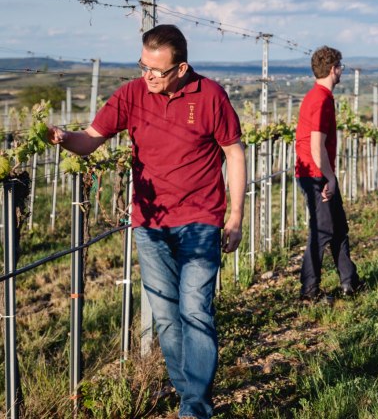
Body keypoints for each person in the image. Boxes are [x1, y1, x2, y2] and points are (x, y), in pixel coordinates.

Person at [49, 24, 245, 419]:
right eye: (143, 66)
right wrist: (63, 137)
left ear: (182, 68)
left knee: (195, 310)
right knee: (167, 317)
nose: (148, 76)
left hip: (201, 220)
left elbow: (234, 153)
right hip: (150, 223)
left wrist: (235, 216)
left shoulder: (210, 96)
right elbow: (90, 139)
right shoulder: (132, 95)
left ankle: (194, 407)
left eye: (157, 70)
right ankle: (188, 390)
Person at [295, 45, 362, 301]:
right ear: (334, 69)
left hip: (314, 172)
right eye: (340, 67)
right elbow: (316, 145)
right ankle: (309, 292)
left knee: (339, 227)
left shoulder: (316, 96)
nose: (341, 71)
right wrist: (329, 178)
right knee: (322, 230)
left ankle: (349, 281)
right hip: (316, 174)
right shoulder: (321, 99)